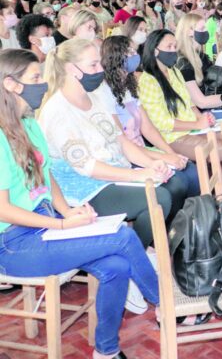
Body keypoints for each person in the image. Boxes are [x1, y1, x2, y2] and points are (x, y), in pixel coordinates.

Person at [0, 48, 159, 359]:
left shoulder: (28, 123)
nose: (43, 86)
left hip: (44, 224)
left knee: (116, 266)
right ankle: (168, 303)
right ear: (11, 84)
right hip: (13, 243)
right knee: (122, 236)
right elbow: (3, 209)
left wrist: (67, 210)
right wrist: (61, 224)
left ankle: (106, 351)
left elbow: (48, 179)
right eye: (35, 79)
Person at [98, 35, 201, 195]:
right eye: (129, 52)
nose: (135, 55)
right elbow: (123, 144)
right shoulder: (105, 92)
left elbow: (148, 128)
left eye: (134, 50)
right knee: (178, 182)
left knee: (190, 170)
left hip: (141, 149)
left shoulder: (129, 86)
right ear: (115, 57)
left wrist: (170, 153)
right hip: (127, 157)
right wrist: (165, 158)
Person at [137, 30, 222, 190]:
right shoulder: (148, 80)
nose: (173, 50)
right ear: (155, 50)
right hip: (173, 137)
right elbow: (161, 122)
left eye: (175, 46)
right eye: (169, 46)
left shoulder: (174, 72)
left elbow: (189, 103)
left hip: (191, 129)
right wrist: (197, 125)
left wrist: (203, 120)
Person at [174, 13, 222, 109]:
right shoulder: (183, 62)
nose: (206, 31)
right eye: (202, 28)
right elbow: (201, 102)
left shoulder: (201, 56)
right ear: (189, 32)